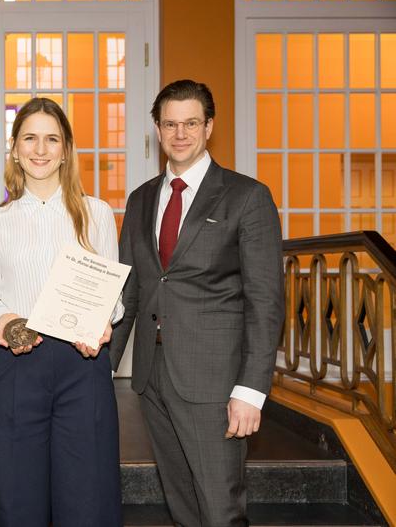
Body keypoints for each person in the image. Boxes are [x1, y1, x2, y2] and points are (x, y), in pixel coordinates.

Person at [108, 79, 284, 526]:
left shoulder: (247, 196)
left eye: (190, 123)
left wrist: (251, 390)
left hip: (216, 382)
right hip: (152, 378)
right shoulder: (142, 198)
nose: (179, 133)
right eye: (170, 124)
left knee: (220, 509)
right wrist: (99, 367)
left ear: (209, 126)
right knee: (183, 505)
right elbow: (130, 292)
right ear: (157, 128)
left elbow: (266, 302)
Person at [0, 97, 123, 527]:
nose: (40, 150)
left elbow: (113, 298)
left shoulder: (97, 214)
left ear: (66, 148)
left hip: (83, 363)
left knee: (87, 494)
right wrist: (5, 319)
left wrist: (102, 322)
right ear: (16, 148)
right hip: (21, 363)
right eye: (30, 138)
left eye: (52, 139)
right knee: (17, 495)